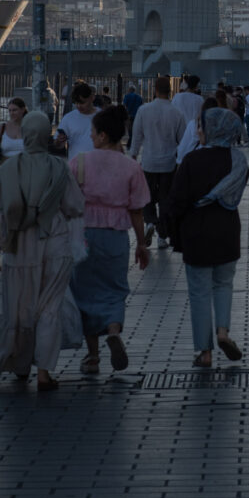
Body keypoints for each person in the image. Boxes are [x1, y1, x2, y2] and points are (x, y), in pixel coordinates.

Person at [0, 111, 85, 391]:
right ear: (46, 135)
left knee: (20, 309)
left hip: (19, 249)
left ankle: (19, 362)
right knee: (49, 309)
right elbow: (75, 206)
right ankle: (44, 373)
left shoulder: (7, 170)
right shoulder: (59, 167)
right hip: (55, 245)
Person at [163, 107, 249, 368]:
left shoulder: (192, 160)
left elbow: (176, 201)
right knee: (224, 284)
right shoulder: (238, 161)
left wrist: (169, 228)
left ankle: (205, 351)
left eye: (202, 126)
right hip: (227, 232)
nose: (198, 131)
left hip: (197, 234)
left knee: (200, 292)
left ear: (212, 129)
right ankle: (223, 332)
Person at [69, 105, 150, 375]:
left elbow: (65, 202)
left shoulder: (79, 162)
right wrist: (141, 243)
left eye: (92, 133)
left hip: (84, 236)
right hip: (116, 236)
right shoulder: (131, 167)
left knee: (84, 292)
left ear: (103, 135)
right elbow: (137, 210)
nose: (90, 137)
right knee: (115, 289)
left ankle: (93, 357)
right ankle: (114, 330)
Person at [130, 75, 186, 250]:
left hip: (148, 162)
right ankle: (162, 236)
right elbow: (182, 140)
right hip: (169, 163)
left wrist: (133, 155)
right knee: (165, 200)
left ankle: (150, 223)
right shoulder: (176, 113)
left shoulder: (144, 110)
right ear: (170, 91)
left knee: (146, 197)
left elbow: (137, 136)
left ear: (154, 90)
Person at [0, 97, 27, 191]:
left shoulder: (30, 128)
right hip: (5, 172)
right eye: (10, 110)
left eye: (15, 110)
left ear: (23, 110)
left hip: (25, 172)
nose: (12, 113)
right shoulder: (2, 128)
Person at [54, 81, 99, 160]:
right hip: (76, 167)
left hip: (98, 166)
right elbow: (57, 145)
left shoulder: (102, 116)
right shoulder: (68, 118)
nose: (78, 106)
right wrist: (59, 141)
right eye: (76, 103)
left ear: (92, 98)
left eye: (82, 102)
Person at [177, 96, 218, 165]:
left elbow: (183, 147)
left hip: (193, 163)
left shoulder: (194, 124)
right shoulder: (219, 127)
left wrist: (180, 161)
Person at [122, 83, 144, 148]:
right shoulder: (139, 97)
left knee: (130, 130)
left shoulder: (127, 96)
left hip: (129, 116)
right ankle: (132, 143)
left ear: (129, 90)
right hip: (137, 116)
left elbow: (124, 106)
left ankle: (130, 143)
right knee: (135, 130)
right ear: (134, 90)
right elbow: (141, 106)